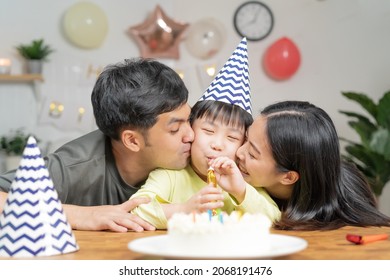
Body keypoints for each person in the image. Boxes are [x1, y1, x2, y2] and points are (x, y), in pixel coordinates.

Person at [0, 58, 194, 232]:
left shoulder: (197, 152)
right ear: (132, 140)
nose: (191, 135)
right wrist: (81, 215)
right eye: (175, 129)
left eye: (190, 120)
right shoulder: (75, 165)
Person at [130, 38, 281, 229]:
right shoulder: (170, 176)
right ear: (191, 130)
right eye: (209, 131)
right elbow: (134, 210)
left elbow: (276, 220)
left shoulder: (242, 182)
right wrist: (185, 208)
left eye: (232, 137)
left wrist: (240, 191)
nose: (217, 144)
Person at [211, 100, 390, 230]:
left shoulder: (344, 212)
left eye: (252, 154)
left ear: (288, 177)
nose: (239, 152)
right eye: (246, 139)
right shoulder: (232, 176)